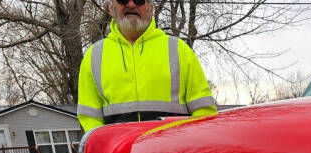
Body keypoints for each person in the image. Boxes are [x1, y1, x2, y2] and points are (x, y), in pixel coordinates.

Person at [77, 0, 217, 131]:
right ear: (110, 8)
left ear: (151, 8)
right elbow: (90, 119)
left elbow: (203, 111)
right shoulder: (94, 55)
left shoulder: (179, 50)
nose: (131, 4)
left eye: (139, 0)